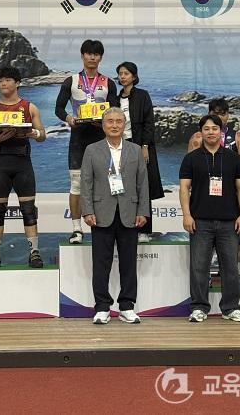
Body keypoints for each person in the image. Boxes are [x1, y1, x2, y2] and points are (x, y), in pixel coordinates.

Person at [81, 107, 150, 324]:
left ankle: (127, 306)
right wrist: (87, 210)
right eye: (110, 121)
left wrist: (143, 211)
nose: (114, 125)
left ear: (124, 124)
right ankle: (102, 307)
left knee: (128, 263)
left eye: (118, 121)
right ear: (103, 125)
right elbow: (86, 182)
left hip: (130, 213)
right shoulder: (91, 150)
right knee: (101, 264)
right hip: (101, 213)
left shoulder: (135, 150)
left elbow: (143, 183)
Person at [179, 114, 240, 323]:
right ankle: (199, 307)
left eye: (215, 128)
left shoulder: (233, 158)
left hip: (229, 221)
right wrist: (187, 215)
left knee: (230, 268)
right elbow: (184, 188)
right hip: (200, 221)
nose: (211, 132)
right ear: (201, 132)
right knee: (199, 267)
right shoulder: (191, 158)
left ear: (221, 131)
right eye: (206, 129)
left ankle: (231, 308)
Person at [0, 66, 46, 269]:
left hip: (22, 163)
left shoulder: (29, 107)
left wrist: (34, 133)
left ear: (17, 83)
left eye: (8, 80)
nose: (4, 84)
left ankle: (34, 253)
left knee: (29, 211)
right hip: (0, 164)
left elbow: (43, 135)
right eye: (1, 81)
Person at [55, 39, 117, 244]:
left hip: (101, 138)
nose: (92, 57)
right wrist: (69, 118)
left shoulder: (108, 82)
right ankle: (76, 229)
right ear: (82, 56)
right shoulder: (71, 81)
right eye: (88, 53)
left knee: (107, 183)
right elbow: (59, 108)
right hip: (79, 139)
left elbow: (115, 111)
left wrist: (106, 122)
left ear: (101, 57)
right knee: (76, 185)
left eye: (96, 54)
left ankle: (105, 225)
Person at [188, 98, 240, 288]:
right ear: (209, 114)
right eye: (215, 113)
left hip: (230, 201)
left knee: (233, 243)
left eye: (223, 114)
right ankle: (206, 277)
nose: (219, 117)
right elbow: (188, 171)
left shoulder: (238, 138)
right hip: (204, 201)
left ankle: (237, 275)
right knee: (203, 247)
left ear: (228, 115)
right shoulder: (197, 138)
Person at [116, 61, 164, 243]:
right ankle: (125, 228)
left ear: (134, 76)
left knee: (143, 188)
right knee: (122, 187)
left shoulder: (142, 95)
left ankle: (144, 230)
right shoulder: (115, 98)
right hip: (120, 146)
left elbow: (149, 122)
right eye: (120, 73)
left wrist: (145, 146)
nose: (122, 77)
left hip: (138, 145)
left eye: (126, 73)